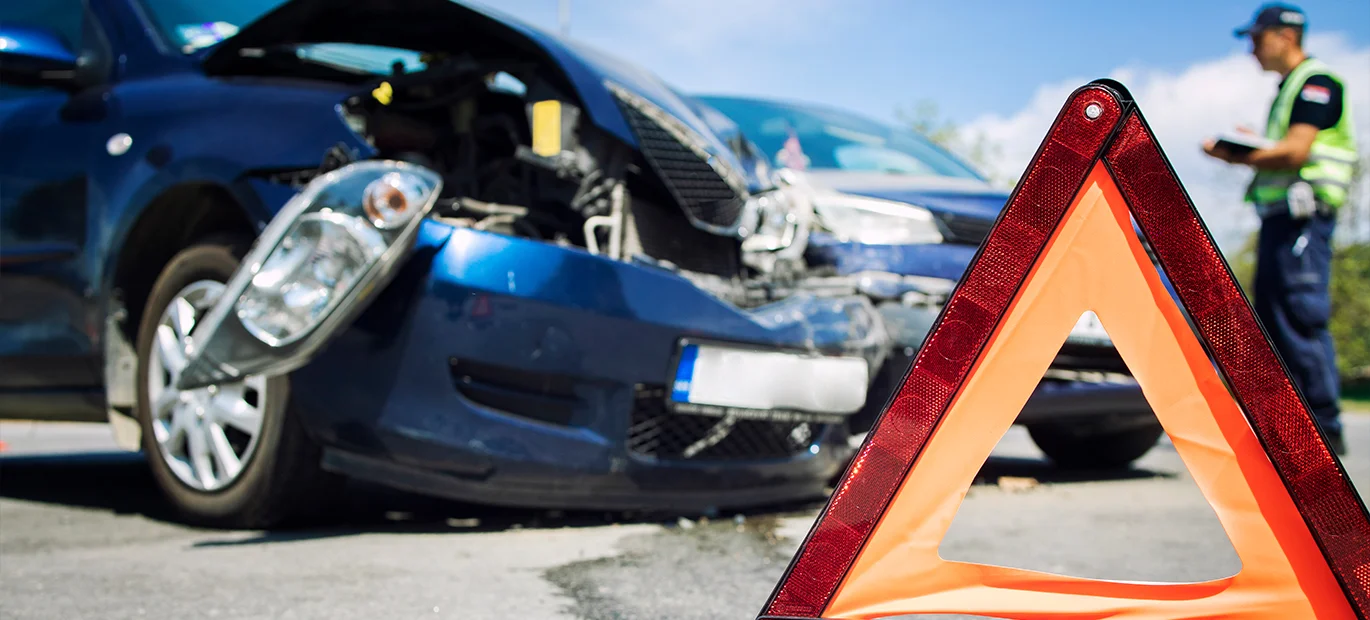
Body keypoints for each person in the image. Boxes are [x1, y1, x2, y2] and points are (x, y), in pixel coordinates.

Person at [1203, 3, 1357, 455]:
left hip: (1302, 221)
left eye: (1256, 39)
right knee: (1274, 317)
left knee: (1299, 316)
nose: (1251, 49)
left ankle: (1323, 433)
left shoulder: (1316, 83)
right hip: (1282, 221)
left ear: (1284, 36)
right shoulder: (1290, 88)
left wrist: (1239, 154)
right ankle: (1293, 430)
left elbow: (1295, 152)